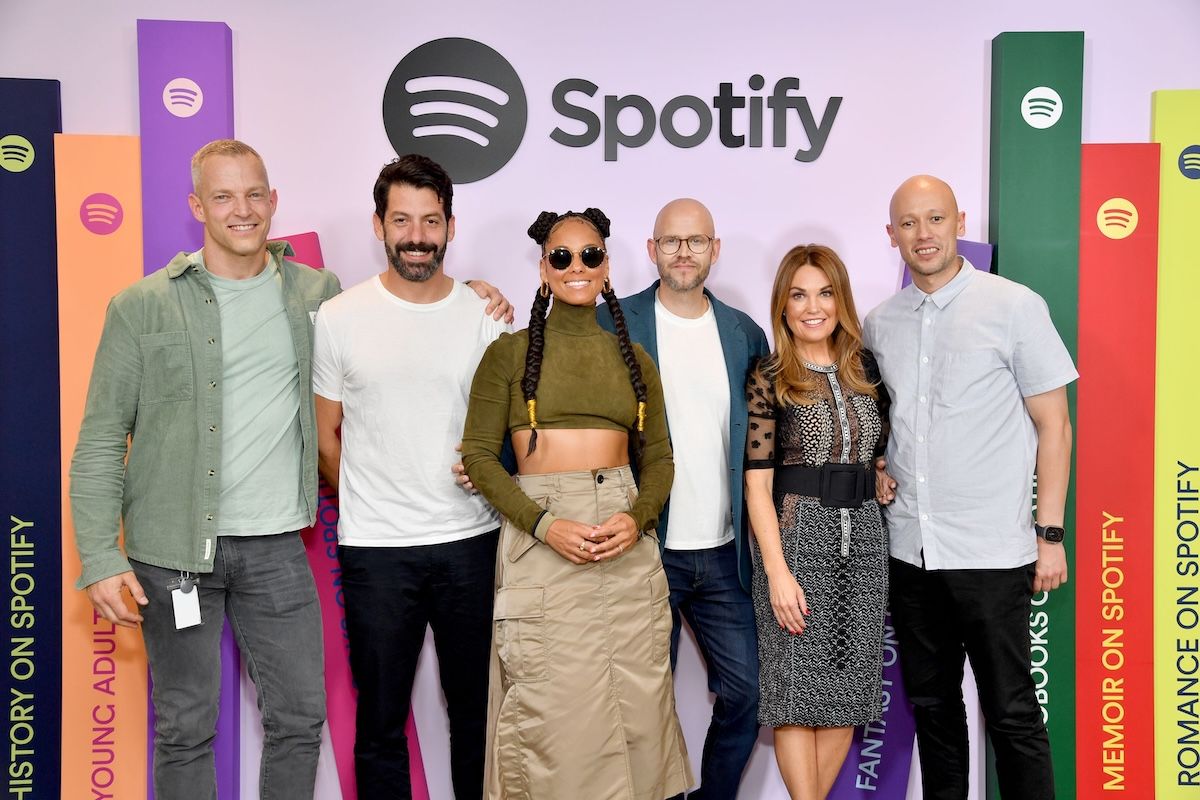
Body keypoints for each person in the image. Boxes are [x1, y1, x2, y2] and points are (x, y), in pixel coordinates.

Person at [70, 139, 339, 799]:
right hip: (173, 554)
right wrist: (100, 556)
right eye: (223, 196)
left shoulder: (317, 294)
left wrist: (473, 295)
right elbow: (101, 436)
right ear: (197, 206)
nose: (241, 210)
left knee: (300, 719)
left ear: (273, 201)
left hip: (278, 547)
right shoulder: (142, 305)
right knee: (185, 728)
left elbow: (389, 326)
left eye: (254, 194)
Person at [461, 208, 692, 800]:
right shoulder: (508, 355)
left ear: (607, 267)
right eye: (561, 257)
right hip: (544, 540)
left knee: (638, 711)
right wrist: (544, 524)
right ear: (543, 269)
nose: (576, 267)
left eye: (590, 255)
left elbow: (660, 459)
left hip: (622, 538)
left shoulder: (634, 359)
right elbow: (480, 458)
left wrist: (636, 519)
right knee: (552, 720)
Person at [863, 174, 1074, 800]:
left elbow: (1055, 425)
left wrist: (1050, 534)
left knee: (1011, 712)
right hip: (911, 551)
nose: (923, 234)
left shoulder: (1015, 306)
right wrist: (879, 464)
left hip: (991, 552)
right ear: (891, 234)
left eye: (935, 219)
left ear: (958, 222)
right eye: (908, 223)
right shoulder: (879, 323)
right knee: (933, 710)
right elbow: (886, 424)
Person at [311, 154, 511, 799]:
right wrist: (373, 498)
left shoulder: (486, 316)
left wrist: (492, 470)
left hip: (471, 543)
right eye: (402, 220)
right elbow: (326, 437)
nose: (417, 236)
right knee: (379, 721)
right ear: (378, 225)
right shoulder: (338, 317)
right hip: (377, 551)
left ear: (451, 226)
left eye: (430, 220)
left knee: (477, 716)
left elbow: (511, 428)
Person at [597, 198, 767, 799]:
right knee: (644, 703)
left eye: (696, 241)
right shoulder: (611, 324)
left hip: (725, 553)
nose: (684, 252)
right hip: (646, 548)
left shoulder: (745, 333)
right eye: (671, 241)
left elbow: (773, 435)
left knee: (749, 691)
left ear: (715, 249)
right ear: (652, 250)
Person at [744, 244, 890, 800]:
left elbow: (876, 448)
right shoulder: (769, 375)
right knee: (796, 694)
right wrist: (777, 574)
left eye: (825, 293)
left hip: (865, 542)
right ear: (782, 305)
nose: (813, 307)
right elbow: (757, 486)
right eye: (799, 295)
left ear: (841, 300)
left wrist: (880, 474)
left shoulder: (866, 368)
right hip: (796, 541)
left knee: (846, 695)